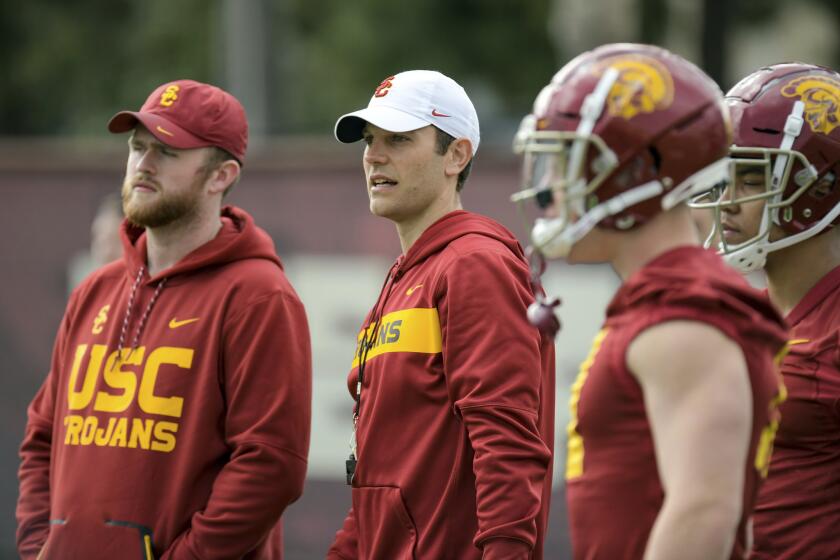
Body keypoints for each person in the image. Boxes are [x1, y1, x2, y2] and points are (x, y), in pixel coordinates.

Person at [510, 43, 788, 559]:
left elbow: (704, 511)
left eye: (568, 162)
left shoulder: (684, 314)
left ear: (636, 171)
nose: (550, 190)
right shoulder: (667, 299)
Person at [16, 79, 312, 560]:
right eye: (137, 147)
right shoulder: (96, 289)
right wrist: (37, 549)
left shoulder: (259, 296)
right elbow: (42, 437)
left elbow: (270, 466)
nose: (143, 164)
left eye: (168, 152)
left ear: (221, 176)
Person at [326, 70, 555, 560]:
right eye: (369, 140)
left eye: (399, 138)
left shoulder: (475, 264)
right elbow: (375, 476)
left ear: (457, 155)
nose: (374, 155)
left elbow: (507, 446)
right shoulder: (407, 276)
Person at [690, 62, 840, 560]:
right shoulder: (740, 316)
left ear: (820, 187)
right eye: (725, 177)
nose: (726, 203)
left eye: (752, 179)